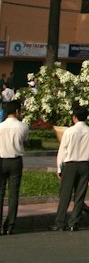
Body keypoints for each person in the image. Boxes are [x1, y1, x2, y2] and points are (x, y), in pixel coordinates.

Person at [54, 106, 89, 231]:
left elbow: (62, 150)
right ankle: (74, 222)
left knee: (65, 194)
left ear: (74, 117)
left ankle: (60, 222)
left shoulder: (70, 131)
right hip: (85, 164)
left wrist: (59, 167)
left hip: (71, 164)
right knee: (80, 194)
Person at [0, 99, 29, 234]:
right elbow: (24, 141)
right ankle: (10, 225)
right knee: (13, 194)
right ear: (17, 111)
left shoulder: (0, 127)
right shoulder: (23, 126)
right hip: (16, 161)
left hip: (1, 161)